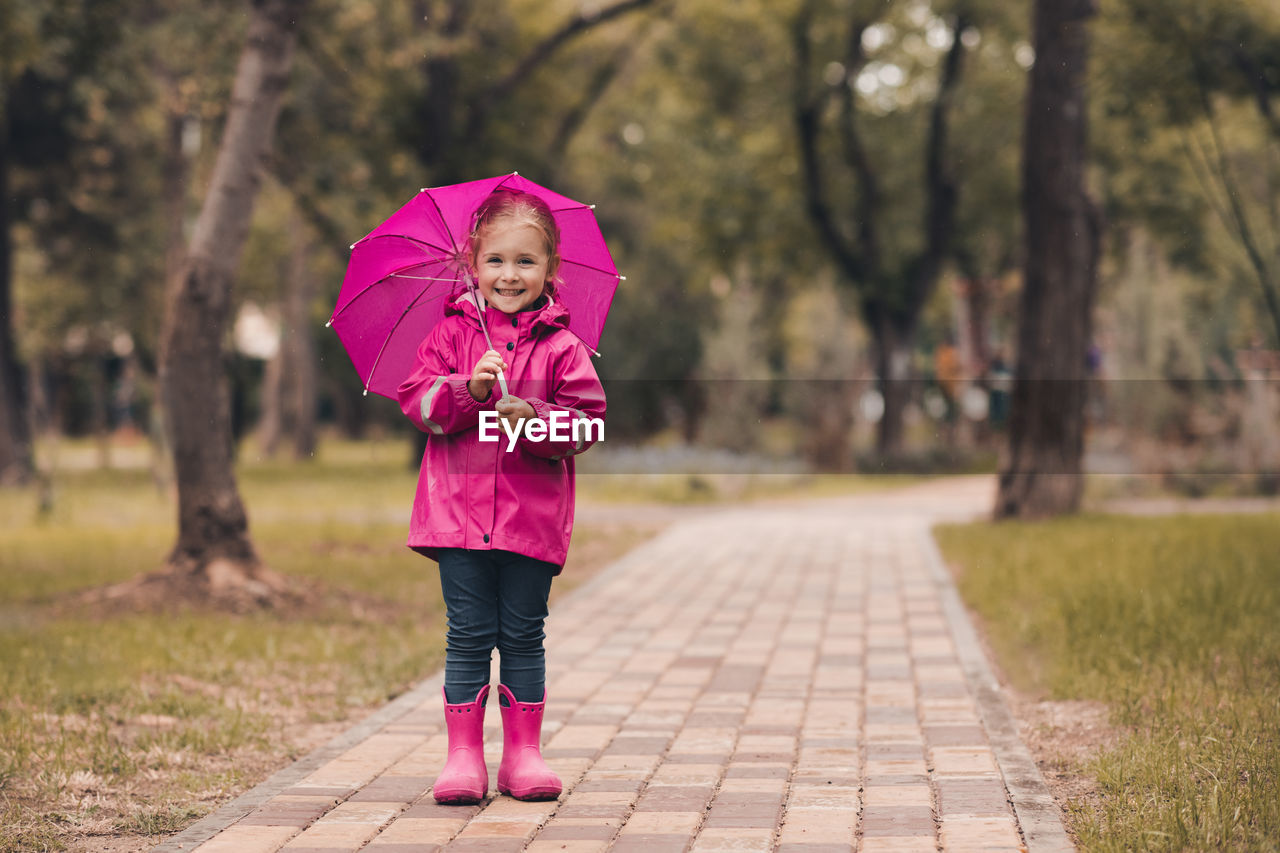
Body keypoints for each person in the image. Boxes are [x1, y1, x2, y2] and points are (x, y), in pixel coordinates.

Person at [397, 188, 606, 804]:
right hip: (457, 518)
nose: (509, 275)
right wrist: (470, 390)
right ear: (473, 263)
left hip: (529, 520)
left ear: (550, 270)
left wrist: (531, 414)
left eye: (525, 262)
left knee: (521, 633)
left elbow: (586, 424)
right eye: (495, 261)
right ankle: (463, 756)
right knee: (466, 633)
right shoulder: (449, 337)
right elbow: (420, 405)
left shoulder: (564, 349)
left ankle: (523, 754)